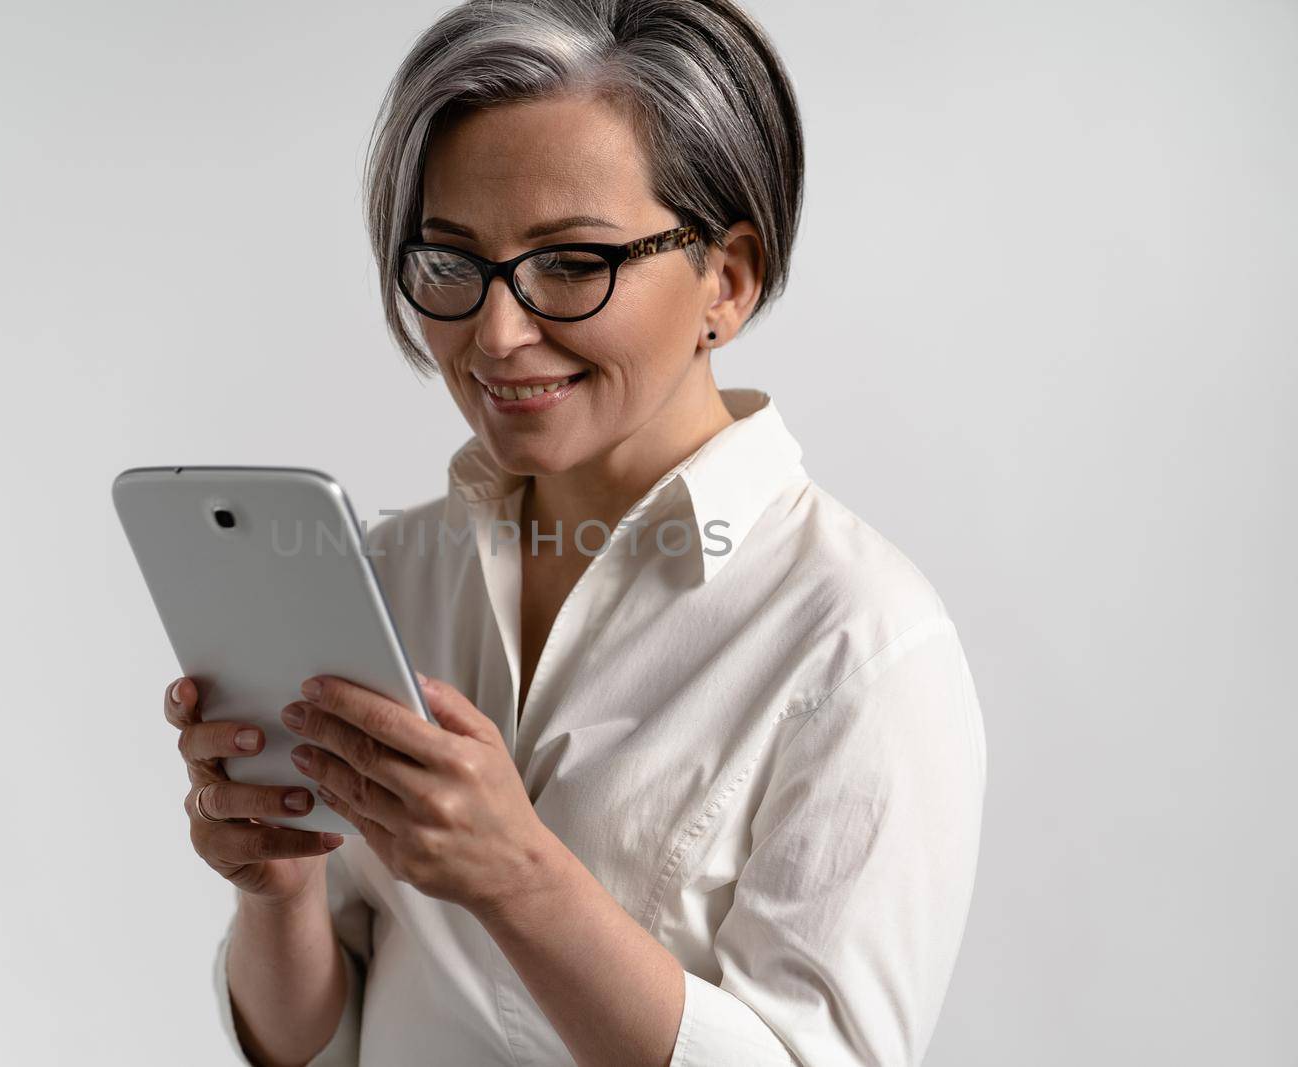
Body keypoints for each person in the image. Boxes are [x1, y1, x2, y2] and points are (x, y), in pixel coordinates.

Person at [164, 1, 986, 1063]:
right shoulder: (389, 575)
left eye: (570, 263)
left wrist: (520, 876)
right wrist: (280, 892)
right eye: (450, 262)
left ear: (725, 281)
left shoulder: (861, 646)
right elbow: (330, 1044)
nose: (496, 334)